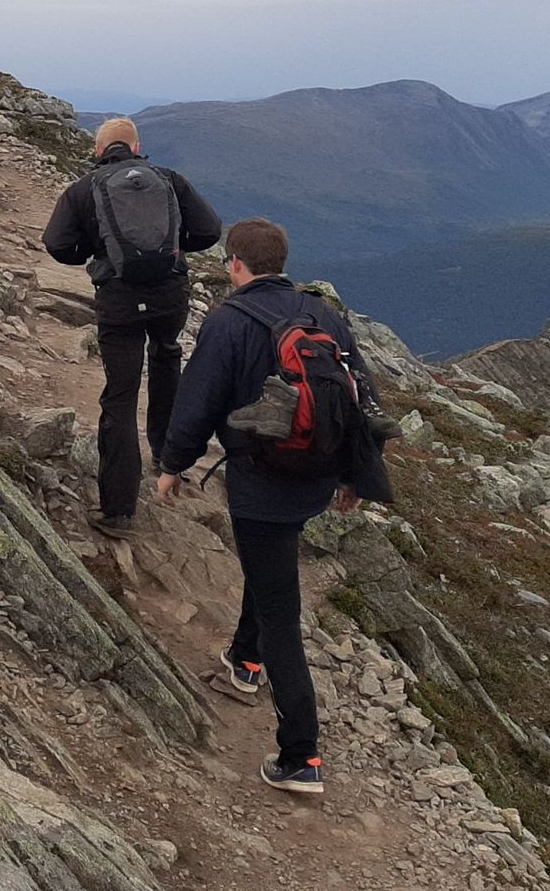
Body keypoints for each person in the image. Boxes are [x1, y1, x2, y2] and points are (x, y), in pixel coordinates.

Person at [157, 217, 393, 797]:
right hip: (314, 480)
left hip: (261, 483)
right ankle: (245, 657)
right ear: (282, 261)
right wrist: (352, 476)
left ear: (235, 263)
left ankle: (302, 755)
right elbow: (361, 397)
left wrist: (172, 465)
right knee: (270, 573)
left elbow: (198, 401)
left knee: (282, 612)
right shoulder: (323, 315)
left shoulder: (229, 321)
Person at [43, 118, 222, 539]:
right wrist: (173, 249)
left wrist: (99, 252)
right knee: (166, 359)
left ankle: (119, 511)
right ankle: (168, 457)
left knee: (120, 396)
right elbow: (211, 230)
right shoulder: (169, 180)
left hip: (119, 300)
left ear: (98, 150)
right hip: (169, 295)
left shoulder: (84, 188)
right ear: (137, 145)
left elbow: (56, 243)